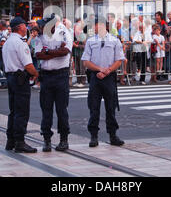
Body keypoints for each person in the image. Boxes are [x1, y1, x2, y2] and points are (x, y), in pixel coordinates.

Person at [81, 19, 125, 148]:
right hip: (95, 76)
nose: (93, 28)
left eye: (94, 25)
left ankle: (113, 135)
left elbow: (119, 60)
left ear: (101, 26)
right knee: (94, 107)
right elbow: (86, 61)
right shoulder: (90, 41)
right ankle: (94, 136)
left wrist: (108, 71)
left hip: (109, 76)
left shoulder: (114, 40)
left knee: (110, 107)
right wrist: (100, 70)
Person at [35, 15, 73, 152]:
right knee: (46, 109)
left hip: (60, 74)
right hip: (46, 75)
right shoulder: (41, 36)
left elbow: (66, 51)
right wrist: (55, 52)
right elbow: (38, 54)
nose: (41, 27)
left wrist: (49, 52)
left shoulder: (63, 32)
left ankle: (64, 139)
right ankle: (46, 139)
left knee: (62, 109)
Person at [2, 17, 39, 153]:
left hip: (11, 77)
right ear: (20, 27)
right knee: (22, 111)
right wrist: (36, 74)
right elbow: (28, 65)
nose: (27, 28)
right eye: (25, 25)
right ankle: (20, 141)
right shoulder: (20, 43)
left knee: (13, 111)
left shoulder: (7, 43)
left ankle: (10, 140)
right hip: (20, 78)